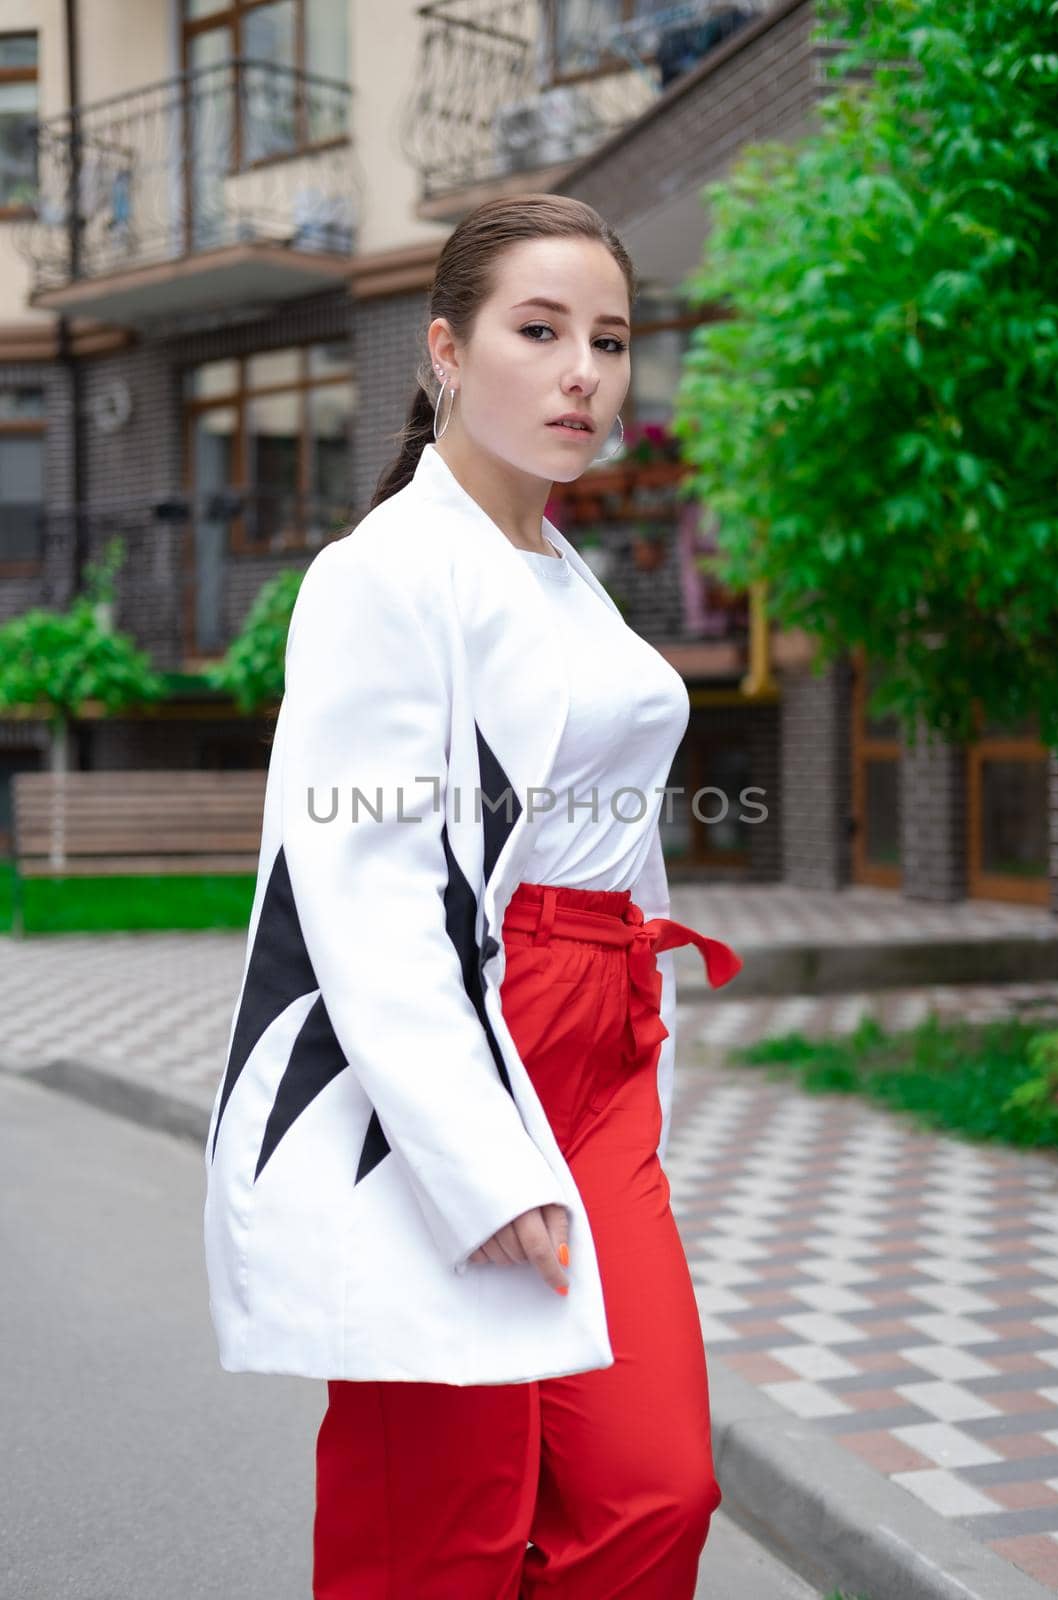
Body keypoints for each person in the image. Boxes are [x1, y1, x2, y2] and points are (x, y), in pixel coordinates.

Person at [203, 192, 743, 1599]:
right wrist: (476, 1153)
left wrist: (645, 1033)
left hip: (600, 1065)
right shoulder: (381, 575)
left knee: (652, 1493)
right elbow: (365, 888)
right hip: (440, 1072)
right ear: (446, 351)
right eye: (541, 330)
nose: (585, 372)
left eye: (612, 340)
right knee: (441, 1521)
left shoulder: (572, 582)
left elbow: (621, 846)